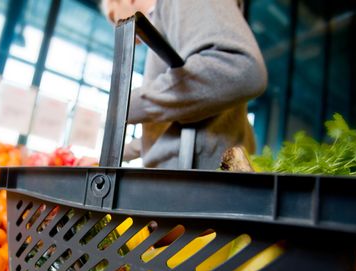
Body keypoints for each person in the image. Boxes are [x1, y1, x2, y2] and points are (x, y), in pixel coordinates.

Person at [101, 0, 268, 169]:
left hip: (197, 178)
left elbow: (241, 67)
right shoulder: (165, 22)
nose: (116, 26)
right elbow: (174, 123)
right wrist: (120, 152)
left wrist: (126, 105)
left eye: (114, 17)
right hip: (194, 174)